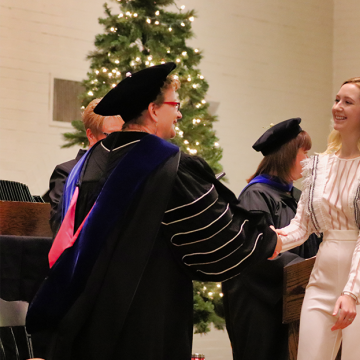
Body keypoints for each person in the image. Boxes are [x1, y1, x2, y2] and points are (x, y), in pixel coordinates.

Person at [26, 63, 281, 360]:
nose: (180, 113)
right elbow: (215, 240)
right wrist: (266, 241)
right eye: (175, 104)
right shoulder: (167, 165)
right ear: (153, 110)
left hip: (83, 317)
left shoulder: (85, 165)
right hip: (145, 319)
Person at [276, 77, 360, 360]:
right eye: (337, 100)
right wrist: (269, 241)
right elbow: (301, 228)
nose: (337, 107)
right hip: (323, 275)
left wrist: (351, 292)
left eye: (348, 102)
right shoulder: (321, 164)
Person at [222, 118, 320, 360]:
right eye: (303, 152)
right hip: (261, 307)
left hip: (294, 299)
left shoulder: (298, 196)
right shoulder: (255, 196)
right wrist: (308, 269)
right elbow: (260, 251)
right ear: (287, 155)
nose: (307, 160)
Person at [47, 99, 123, 234]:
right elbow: (61, 228)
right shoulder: (66, 173)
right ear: (91, 135)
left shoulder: (126, 169)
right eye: (112, 135)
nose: (119, 142)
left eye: (123, 135)